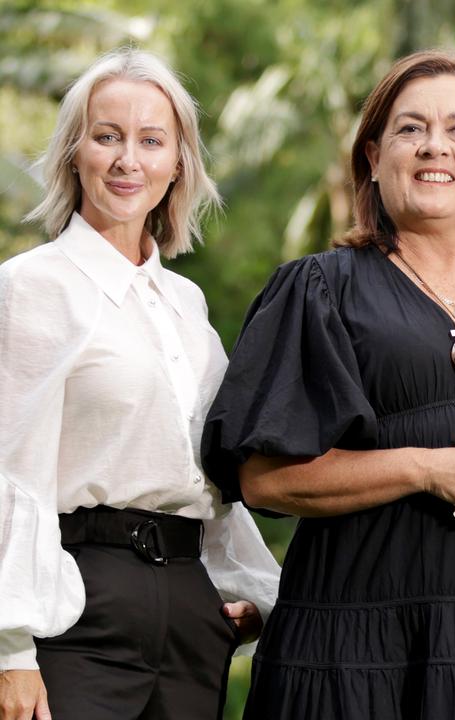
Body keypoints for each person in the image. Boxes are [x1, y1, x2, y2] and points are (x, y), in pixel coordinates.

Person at [201, 49, 455, 719]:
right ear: (373, 156)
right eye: (410, 128)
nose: (435, 147)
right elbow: (263, 479)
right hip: (356, 649)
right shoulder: (318, 291)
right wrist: (428, 468)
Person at [0, 48, 280, 720]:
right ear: (75, 152)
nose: (129, 160)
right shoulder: (29, 289)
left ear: (179, 161)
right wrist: (9, 649)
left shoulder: (187, 306)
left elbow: (210, 475)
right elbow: (10, 472)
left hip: (189, 612)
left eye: (151, 140)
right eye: (107, 136)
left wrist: (250, 591)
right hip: (77, 608)